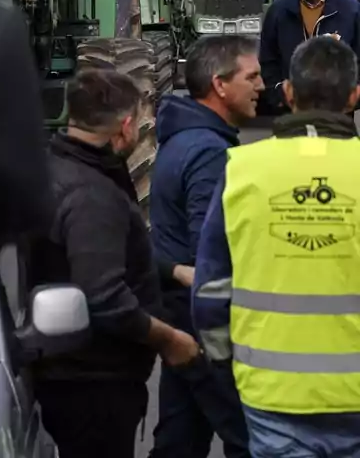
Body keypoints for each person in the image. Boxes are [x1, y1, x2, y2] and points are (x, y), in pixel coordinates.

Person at [194, 36, 360, 457]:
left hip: (271, 395)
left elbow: (211, 293)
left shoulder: (242, 170)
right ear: (355, 96)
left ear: (287, 94)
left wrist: (226, 370)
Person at [30, 69, 201, 458]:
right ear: (125, 126)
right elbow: (103, 295)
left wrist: (172, 270)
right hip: (94, 383)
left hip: (70, 373)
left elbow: (106, 252)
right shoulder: (92, 195)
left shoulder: (57, 168)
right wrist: (169, 339)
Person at [148, 36, 260, 458]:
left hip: (181, 314)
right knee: (249, 440)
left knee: (181, 436)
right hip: (202, 322)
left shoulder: (183, 138)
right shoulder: (209, 152)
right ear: (219, 84)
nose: (261, 86)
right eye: (251, 76)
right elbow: (208, 253)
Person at [259, 0, 360, 113]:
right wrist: (279, 95)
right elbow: (268, 60)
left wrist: (348, 99)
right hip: (290, 110)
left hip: (337, 112)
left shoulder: (351, 11)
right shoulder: (279, 11)